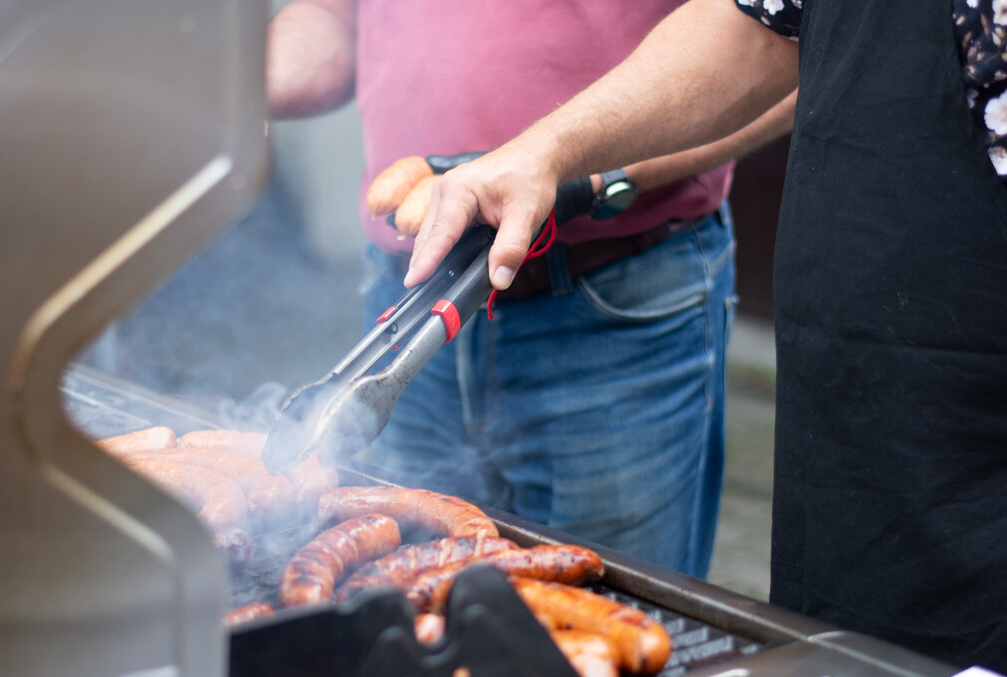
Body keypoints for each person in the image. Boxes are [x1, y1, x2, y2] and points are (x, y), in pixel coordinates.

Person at [407, 0, 1007, 672]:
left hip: (979, 431)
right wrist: (541, 154)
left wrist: (608, 178)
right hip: (861, 419)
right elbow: (757, 29)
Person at [266, 0, 795, 578]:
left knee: (597, 613)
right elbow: (333, 15)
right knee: (395, 610)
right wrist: (233, 92)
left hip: (614, 311)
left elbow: (789, 39)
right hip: (404, 304)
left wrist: (589, 177)